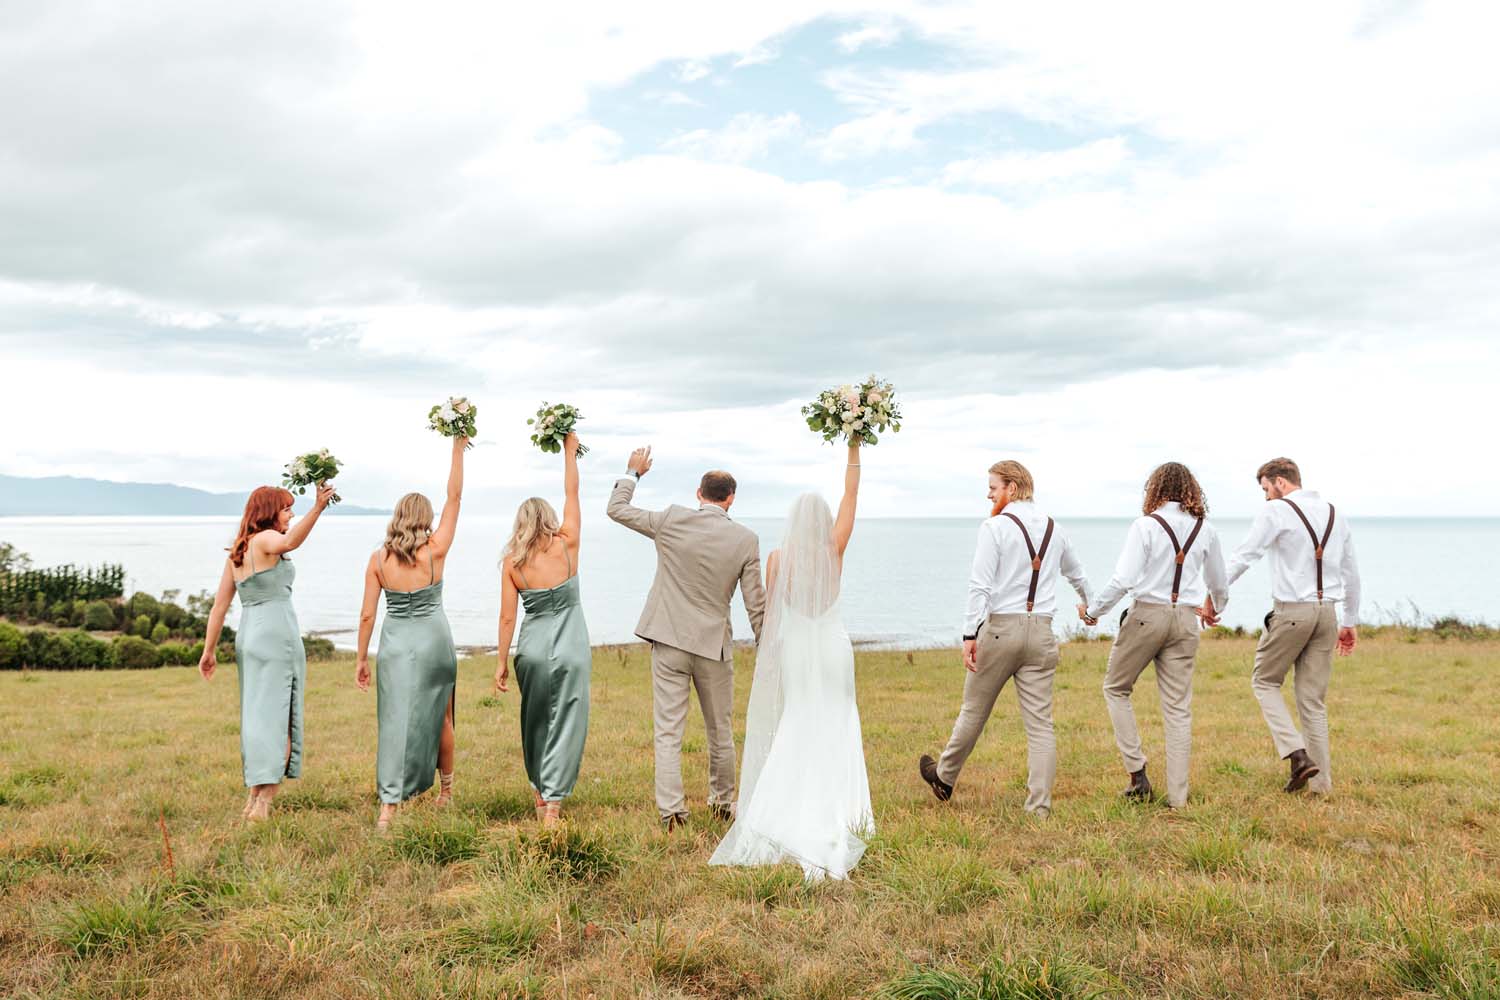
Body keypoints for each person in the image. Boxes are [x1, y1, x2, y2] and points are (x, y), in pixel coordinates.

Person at [710, 443, 872, 880]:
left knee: (799, 720)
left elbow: (775, 611)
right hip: (834, 650)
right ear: (823, 523)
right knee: (839, 719)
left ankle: (783, 809)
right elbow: (850, 498)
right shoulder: (834, 550)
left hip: (799, 649)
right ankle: (847, 810)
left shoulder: (780, 559)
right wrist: (853, 446)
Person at [918, 460, 1091, 818]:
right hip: (1042, 632)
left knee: (973, 710)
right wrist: (1090, 604)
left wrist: (969, 633)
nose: (989, 493)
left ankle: (945, 778)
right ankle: (1039, 808)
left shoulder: (994, 527)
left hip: (1000, 630)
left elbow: (980, 585)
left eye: (993, 487)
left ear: (1012, 488)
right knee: (1041, 725)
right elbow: (1077, 574)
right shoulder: (1055, 529)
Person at [608, 446, 766, 832]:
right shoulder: (746, 540)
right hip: (714, 647)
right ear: (730, 499)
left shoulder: (672, 519)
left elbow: (617, 509)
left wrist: (633, 472)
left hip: (669, 641)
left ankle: (672, 813)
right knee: (720, 731)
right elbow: (755, 602)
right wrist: (767, 646)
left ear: (699, 494)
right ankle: (723, 803)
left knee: (667, 730)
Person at [1082, 462, 1228, 808]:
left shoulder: (1146, 525)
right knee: (1178, 708)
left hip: (1147, 614)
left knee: (1116, 688)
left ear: (1155, 489)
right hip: (1186, 621)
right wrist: (1214, 606)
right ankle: (1178, 798)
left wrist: (1093, 612)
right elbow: (1219, 583)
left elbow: (1123, 579)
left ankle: (1138, 774)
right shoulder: (1205, 529)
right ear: (1191, 490)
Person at [1219, 457, 1360, 794]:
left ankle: (1297, 755)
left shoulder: (1276, 510)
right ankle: (1321, 785)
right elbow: (1351, 571)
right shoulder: (1334, 513)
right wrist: (1350, 620)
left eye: (1267, 489)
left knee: (1264, 681)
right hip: (1328, 613)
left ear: (1280, 482)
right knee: (1313, 701)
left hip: (1292, 611)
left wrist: (1214, 596)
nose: (1266, 497)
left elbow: (1245, 555)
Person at [200, 481, 336, 822]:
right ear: (269, 512)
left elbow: (219, 607)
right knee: (281, 719)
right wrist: (317, 508)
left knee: (259, 717)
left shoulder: (239, 549)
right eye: (287, 508)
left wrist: (209, 650)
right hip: (277, 635)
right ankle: (262, 805)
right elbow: (290, 541)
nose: (291, 514)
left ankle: (252, 798)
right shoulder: (265, 540)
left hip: (249, 636)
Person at [355, 435, 465, 830]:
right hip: (435, 641)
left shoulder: (378, 560)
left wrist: (361, 658)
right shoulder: (435, 550)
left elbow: (368, 615)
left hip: (397, 646)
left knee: (396, 720)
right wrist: (457, 447)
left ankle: (389, 806)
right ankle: (446, 792)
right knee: (440, 717)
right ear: (426, 518)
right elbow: (455, 498)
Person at [495, 432, 590, 827]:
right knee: (567, 720)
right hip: (570, 647)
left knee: (535, 719)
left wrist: (501, 663)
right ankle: (553, 803)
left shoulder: (513, 563)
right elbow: (573, 491)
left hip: (532, 650)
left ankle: (539, 791)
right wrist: (569, 452)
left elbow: (506, 619)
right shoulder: (568, 545)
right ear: (549, 519)